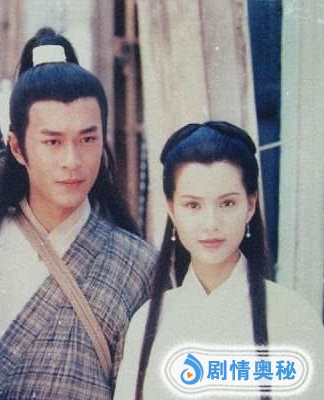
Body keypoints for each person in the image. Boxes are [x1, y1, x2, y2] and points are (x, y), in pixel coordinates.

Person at [0, 28, 156, 399]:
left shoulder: (139, 265)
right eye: (53, 141)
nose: (72, 161)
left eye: (87, 139)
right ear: (17, 147)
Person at [113, 121, 324, 399]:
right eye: (193, 205)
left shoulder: (292, 317)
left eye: (227, 203)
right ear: (171, 209)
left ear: (250, 204)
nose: (211, 223)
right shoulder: (146, 323)